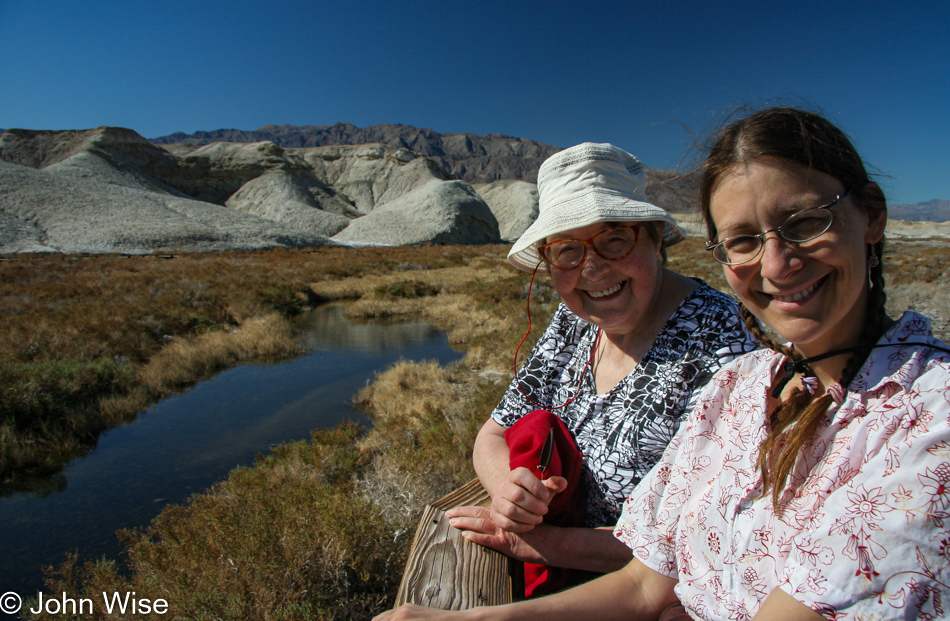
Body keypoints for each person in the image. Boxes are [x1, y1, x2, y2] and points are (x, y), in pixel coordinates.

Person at [374, 108, 950, 620]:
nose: (775, 264)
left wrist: (545, 542)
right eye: (743, 240)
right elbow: (651, 578)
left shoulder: (922, 418)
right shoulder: (746, 388)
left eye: (804, 222)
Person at [444, 142, 757, 594]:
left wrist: (543, 542)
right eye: (567, 250)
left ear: (653, 237)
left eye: (615, 239)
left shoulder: (722, 342)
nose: (592, 268)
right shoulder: (573, 322)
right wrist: (508, 495)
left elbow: (702, 539)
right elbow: (493, 433)